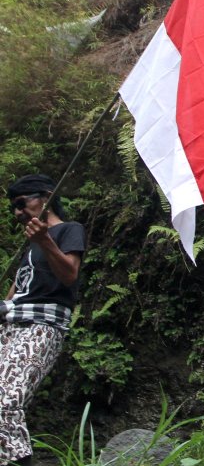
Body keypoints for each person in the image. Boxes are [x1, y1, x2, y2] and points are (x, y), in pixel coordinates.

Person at [1, 175, 86, 466]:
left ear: (47, 197)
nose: (17, 212)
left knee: (6, 402)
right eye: (14, 207)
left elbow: (69, 276)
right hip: (11, 325)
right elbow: (17, 293)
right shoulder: (31, 246)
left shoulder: (68, 231)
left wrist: (45, 240)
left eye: (21, 203)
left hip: (41, 327)